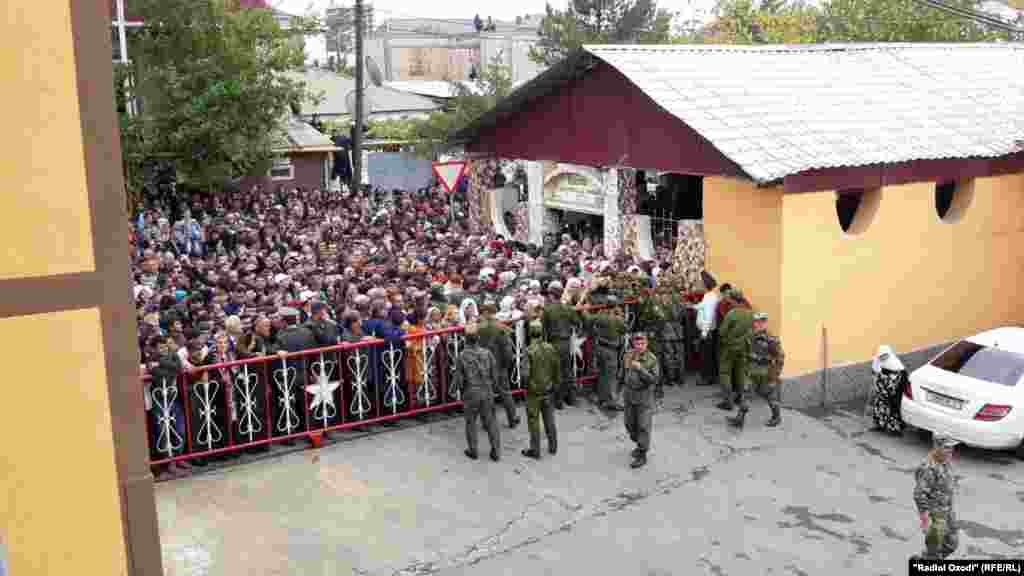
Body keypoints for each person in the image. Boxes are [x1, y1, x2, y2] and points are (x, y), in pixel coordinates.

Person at [453, 322, 502, 461]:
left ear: (465, 339)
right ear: (478, 338)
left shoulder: (462, 356)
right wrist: (494, 388)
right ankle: (496, 451)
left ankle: (473, 450)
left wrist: (459, 390)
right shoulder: (487, 353)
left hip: (471, 392)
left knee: (471, 422)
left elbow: (459, 380)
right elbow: (495, 375)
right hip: (486, 390)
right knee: (491, 422)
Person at [912, 436, 960, 560]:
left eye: (952, 447)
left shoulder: (945, 461)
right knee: (934, 551)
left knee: (952, 544)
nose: (950, 450)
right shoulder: (928, 467)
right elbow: (919, 494)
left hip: (947, 512)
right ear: (937, 447)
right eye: (946, 447)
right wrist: (925, 520)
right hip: (935, 516)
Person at [732, 312, 783, 428]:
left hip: (766, 373)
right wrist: (745, 364)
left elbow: (780, 358)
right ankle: (740, 418)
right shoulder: (750, 336)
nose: (759, 324)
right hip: (752, 371)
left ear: (766, 323)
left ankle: (776, 417)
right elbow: (745, 352)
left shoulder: (771, 339)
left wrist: (775, 375)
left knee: (769, 396)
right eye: (756, 321)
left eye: (762, 322)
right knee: (745, 393)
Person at [477, 301, 520, 428]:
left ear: (485, 312)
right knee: (505, 393)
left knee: (486, 394)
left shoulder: (478, 327)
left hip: (483, 365)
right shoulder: (500, 327)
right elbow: (507, 350)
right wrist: (506, 364)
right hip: (499, 365)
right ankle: (512, 418)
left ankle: (487, 422)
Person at [522, 320, 559, 459]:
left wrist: (526, 387)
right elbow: (556, 368)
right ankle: (553, 446)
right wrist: (554, 384)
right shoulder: (550, 348)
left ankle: (535, 450)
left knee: (534, 421)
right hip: (548, 389)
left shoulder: (529, 351)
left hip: (534, 392)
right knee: (549, 419)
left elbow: (525, 374)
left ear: (530, 333)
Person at [623, 332, 660, 468]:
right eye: (637, 343)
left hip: (644, 397)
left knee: (643, 426)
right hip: (629, 395)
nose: (639, 346)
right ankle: (638, 443)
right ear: (633, 343)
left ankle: (642, 453)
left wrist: (641, 369)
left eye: (642, 343)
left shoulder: (652, 359)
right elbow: (624, 372)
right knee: (629, 424)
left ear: (646, 343)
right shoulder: (628, 355)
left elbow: (654, 380)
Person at [541, 281, 580, 409]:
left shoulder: (547, 310)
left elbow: (543, 330)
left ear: (552, 295)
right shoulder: (567, 308)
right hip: (566, 342)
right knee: (567, 370)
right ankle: (571, 398)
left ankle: (559, 401)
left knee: (556, 373)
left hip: (554, 343)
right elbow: (577, 322)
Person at [581, 305, 626, 411]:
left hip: (600, 348)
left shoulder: (600, 317)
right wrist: (619, 316)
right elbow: (624, 329)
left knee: (602, 375)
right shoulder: (617, 319)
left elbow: (588, 319)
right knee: (611, 377)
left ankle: (602, 399)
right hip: (611, 350)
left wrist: (584, 310)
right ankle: (611, 401)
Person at [717, 289, 754, 413]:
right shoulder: (750, 313)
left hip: (730, 347)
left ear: (733, 300)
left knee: (724, 372)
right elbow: (752, 330)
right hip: (743, 347)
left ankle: (728, 401)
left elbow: (722, 331)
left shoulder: (731, 314)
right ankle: (740, 398)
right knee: (740, 372)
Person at [696, 273, 722, 387]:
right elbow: (703, 308)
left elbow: (709, 316)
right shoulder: (709, 296)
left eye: (700, 282)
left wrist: (704, 332)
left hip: (707, 331)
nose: (699, 284)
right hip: (709, 330)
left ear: (705, 284)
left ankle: (707, 378)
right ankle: (710, 377)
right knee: (708, 355)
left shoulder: (709, 297)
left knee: (706, 356)